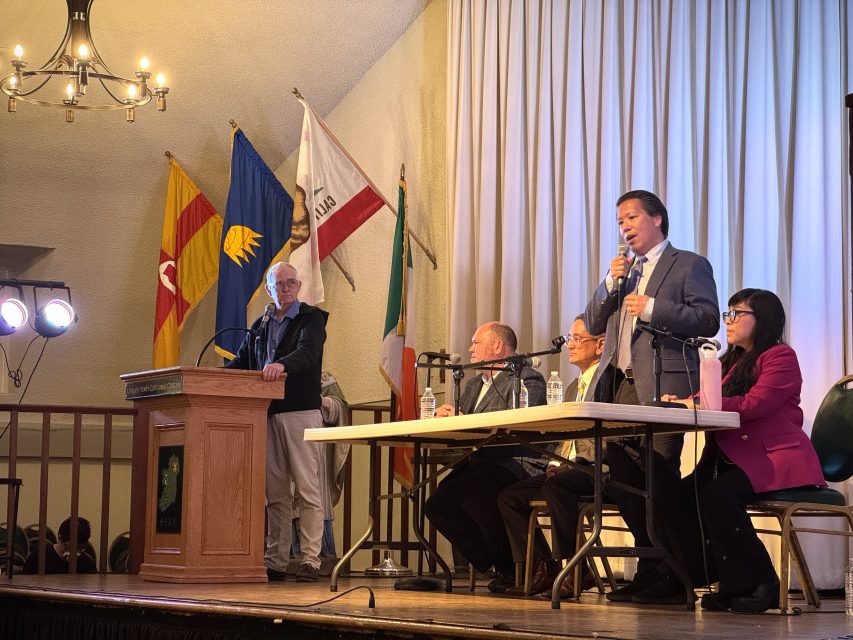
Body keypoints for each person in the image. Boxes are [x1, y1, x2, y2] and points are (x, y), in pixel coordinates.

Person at [584, 189, 720, 603]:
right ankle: (651, 568)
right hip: (620, 386)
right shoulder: (624, 273)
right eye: (619, 221)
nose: (624, 227)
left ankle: (677, 576)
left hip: (666, 386)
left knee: (657, 477)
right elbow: (593, 323)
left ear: (657, 218)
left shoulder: (689, 264)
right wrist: (610, 283)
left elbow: (708, 320)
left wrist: (652, 308)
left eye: (631, 218)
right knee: (624, 480)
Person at [653, 289, 825, 612]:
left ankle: (763, 582)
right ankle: (715, 577)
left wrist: (695, 404)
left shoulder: (780, 357)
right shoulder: (730, 362)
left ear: (764, 319)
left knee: (718, 496)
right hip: (733, 458)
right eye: (727, 314)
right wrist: (683, 402)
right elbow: (707, 399)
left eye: (737, 314)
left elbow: (756, 403)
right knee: (676, 498)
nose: (728, 322)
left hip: (773, 457)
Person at [423, 321, 546, 593]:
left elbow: (521, 426)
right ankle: (490, 558)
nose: (470, 349)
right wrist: (448, 421)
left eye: (476, 343)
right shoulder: (472, 385)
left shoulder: (527, 378)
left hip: (515, 461)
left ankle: (511, 568)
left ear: (498, 346)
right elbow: (465, 430)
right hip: (480, 463)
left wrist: (465, 420)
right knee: (438, 504)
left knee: (479, 496)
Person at [225, 261, 328, 582]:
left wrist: (280, 365)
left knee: (307, 489)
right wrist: (211, 377)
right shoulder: (261, 323)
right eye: (279, 285)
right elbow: (242, 362)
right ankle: (276, 560)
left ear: (299, 286)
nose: (286, 289)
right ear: (269, 289)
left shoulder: (311, 318)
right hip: (267, 413)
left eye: (290, 283)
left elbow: (307, 353)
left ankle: (310, 560)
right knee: (276, 493)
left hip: (300, 411)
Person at [497, 315, 606, 597]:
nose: (570, 345)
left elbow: (607, 438)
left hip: (597, 468)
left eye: (577, 339)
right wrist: (556, 463)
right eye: (569, 338)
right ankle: (545, 568)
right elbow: (564, 438)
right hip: (566, 467)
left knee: (557, 488)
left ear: (600, 345)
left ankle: (576, 569)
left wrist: (570, 467)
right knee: (510, 496)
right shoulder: (571, 387)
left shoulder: (608, 382)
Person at [23, 517, 96, 574]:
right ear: (60, 538)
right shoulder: (39, 557)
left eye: (80, 548)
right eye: (71, 547)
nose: (76, 552)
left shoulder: (88, 563)